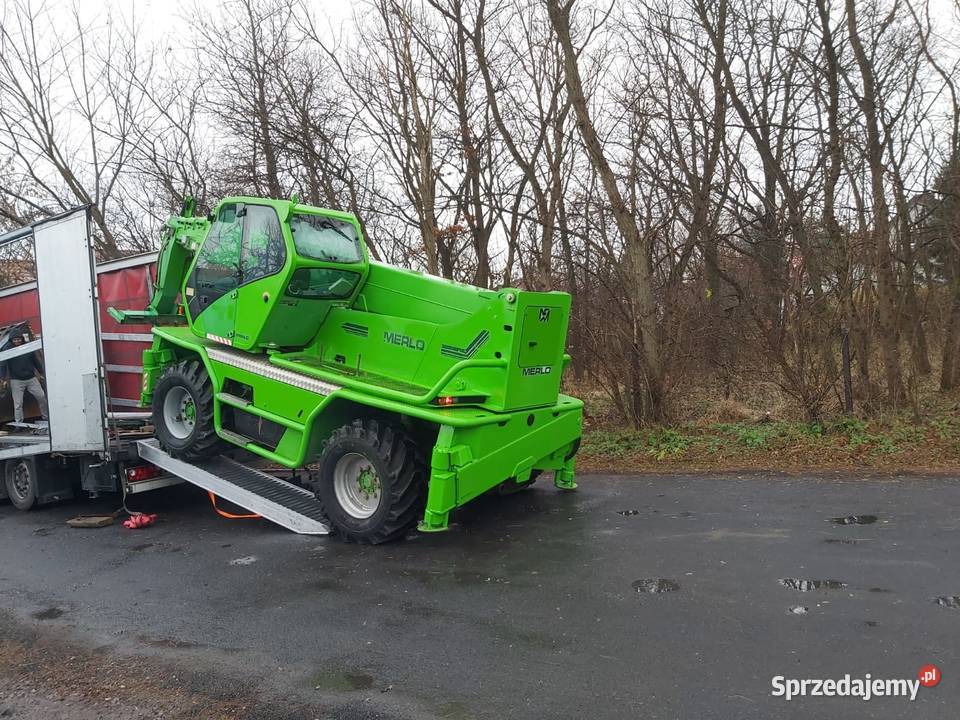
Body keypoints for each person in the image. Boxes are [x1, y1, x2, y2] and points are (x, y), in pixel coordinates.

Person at [1, 333, 48, 425]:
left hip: (31, 378)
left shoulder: (27, 348)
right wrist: (3, 378)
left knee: (41, 397)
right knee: (18, 403)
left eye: (18, 339)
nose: (17, 341)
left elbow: (35, 361)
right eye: (14, 340)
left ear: (21, 339)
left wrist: (41, 372)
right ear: (11, 340)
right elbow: (3, 364)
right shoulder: (8, 349)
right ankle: (19, 423)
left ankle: (45, 417)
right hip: (16, 380)